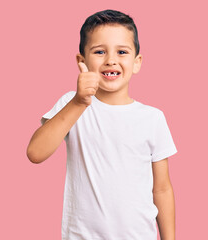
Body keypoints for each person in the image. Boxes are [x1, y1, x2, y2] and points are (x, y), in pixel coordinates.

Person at [26, 9, 178, 240]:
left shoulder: (152, 118)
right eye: (99, 51)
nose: (111, 60)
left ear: (137, 62)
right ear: (82, 61)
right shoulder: (72, 104)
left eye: (122, 51)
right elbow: (35, 153)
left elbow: (162, 188)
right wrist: (79, 102)